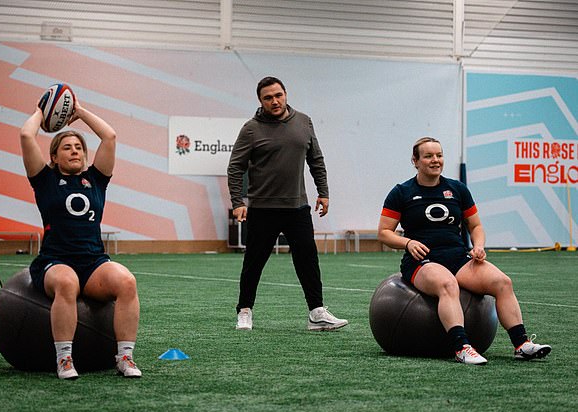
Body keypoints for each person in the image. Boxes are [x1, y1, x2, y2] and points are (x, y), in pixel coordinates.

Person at [377, 136, 552, 365]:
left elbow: (476, 226)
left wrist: (478, 246)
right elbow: (384, 232)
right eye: (428, 156)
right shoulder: (401, 192)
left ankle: (522, 344)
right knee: (448, 284)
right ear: (415, 161)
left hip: (458, 258)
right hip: (422, 261)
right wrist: (408, 243)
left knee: (503, 282)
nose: (435, 160)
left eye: (439, 155)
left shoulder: (457, 189)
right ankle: (462, 348)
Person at [20, 97, 141, 379]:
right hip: (55, 261)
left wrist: (79, 113)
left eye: (78, 147)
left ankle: (125, 357)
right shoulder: (44, 180)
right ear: (54, 157)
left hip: (93, 263)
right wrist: (42, 111)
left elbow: (109, 136)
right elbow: (27, 134)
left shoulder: (96, 179)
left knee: (127, 281)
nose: (74, 151)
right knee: (67, 282)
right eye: (66, 147)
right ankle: (64, 359)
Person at [227, 76, 348, 331]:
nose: (274, 101)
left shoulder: (304, 121)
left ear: (285, 94)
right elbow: (235, 166)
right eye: (268, 98)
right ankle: (245, 310)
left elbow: (316, 159)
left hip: (297, 207)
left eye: (278, 95)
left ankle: (317, 313)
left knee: (308, 259)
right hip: (262, 208)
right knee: (254, 262)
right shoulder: (251, 128)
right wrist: (237, 201)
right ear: (260, 101)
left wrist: (323, 192)